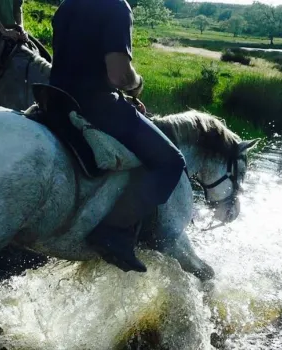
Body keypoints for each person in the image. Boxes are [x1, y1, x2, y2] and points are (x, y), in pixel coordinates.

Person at [49, 0, 187, 273]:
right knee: (171, 162)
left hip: (55, 99)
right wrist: (137, 83)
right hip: (95, 104)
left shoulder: (68, 5)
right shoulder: (115, 6)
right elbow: (119, 74)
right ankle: (113, 230)